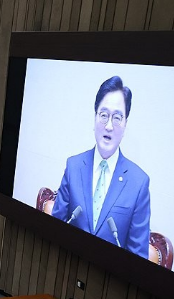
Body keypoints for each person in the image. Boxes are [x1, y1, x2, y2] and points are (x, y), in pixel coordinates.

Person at [50, 76, 150, 257]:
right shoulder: (73, 167)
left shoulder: (139, 183)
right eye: (104, 115)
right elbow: (53, 230)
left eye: (117, 117)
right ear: (95, 118)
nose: (109, 126)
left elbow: (138, 258)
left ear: (125, 124)